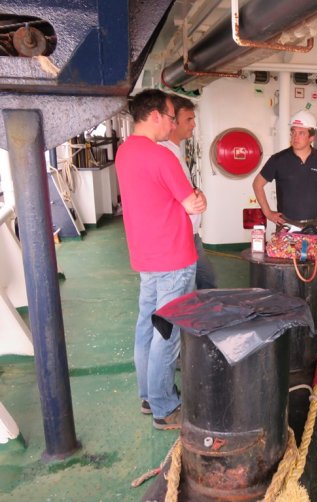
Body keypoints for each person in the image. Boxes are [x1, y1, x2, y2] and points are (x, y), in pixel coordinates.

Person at [116, 89, 207, 430]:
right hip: (173, 256)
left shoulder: (125, 152)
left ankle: (147, 395)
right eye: (171, 117)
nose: (172, 124)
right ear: (154, 115)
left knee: (146, 325)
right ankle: (165, 408)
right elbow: (192, 202)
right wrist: (199, 198)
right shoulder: (162, 156)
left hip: (146, 256)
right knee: (166, 334)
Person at [252, 110, 317, 330]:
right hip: (287, 226)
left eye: (301, 133)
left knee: (315, 275)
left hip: (314, 225)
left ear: (311, 137)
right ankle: (285, 316)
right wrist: (268, 212)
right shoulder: (279, 160)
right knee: (285, 273)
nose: (295, 137)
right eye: (293, 132)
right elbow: (258, 184)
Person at [158, 95, 217, 290]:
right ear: (173, 122)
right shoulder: (164, 152)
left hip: (191, 235)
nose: (193, 125)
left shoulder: (176, 150)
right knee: (187, 290)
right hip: (180, 237)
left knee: (207, 281)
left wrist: (195, 191)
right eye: (189, 120)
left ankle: (207, 318)